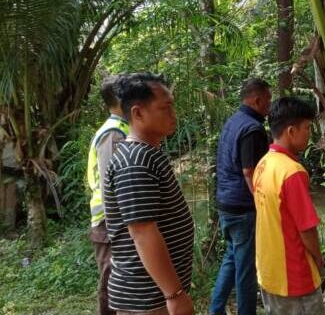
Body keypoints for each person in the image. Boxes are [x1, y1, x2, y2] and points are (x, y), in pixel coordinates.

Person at [103, 72, 194, 315]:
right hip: (148, 299)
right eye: (165, 108)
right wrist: (174, 294)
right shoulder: (135, 161)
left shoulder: (147, 154)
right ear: (138, 113)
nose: (174, 114)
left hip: (156, 295)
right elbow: (142, 233)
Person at [253, 97, 324, 315]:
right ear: (291, 131)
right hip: (294, 275)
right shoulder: (292, 172)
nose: (309, 133)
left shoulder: (263, 164)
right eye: (307, 127)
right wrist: (319, 260)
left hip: (268, 270)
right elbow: (306, 228)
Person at [209, 78, 272, 315]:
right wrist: (261, 202)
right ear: (257, 100)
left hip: (226, 202)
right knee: (246, 269)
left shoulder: (234, 120)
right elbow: (249, 171)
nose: (270, 104)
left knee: (233, 257)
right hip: (242, 207)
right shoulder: (252, 128)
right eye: (268, 99)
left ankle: (216, 309)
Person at [86, 75, 129, 315]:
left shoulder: (121, 128)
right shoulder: (113, 133)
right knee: (111, 279)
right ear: (121, 99)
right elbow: (111, 184)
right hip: (109, 220)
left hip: (112, 220)